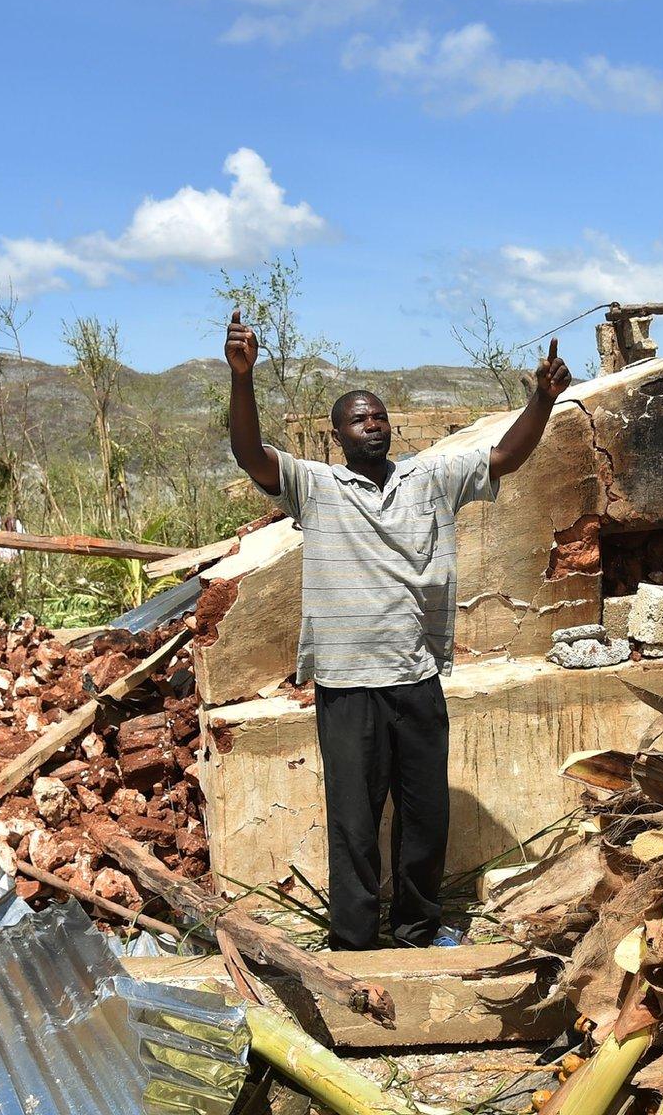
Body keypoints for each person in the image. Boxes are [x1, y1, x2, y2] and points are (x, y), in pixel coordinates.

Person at [225, 309, 572, 949]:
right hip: (347, 683)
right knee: (354, 823)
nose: (373, 427)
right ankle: (354, 944)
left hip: (416, 676)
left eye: (379, 417)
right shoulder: (317, 485)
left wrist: (541, 402)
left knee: (424, 818)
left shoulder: (429, 478)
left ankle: (417, 927)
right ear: (337, 435)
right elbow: (251, 454)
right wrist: (241, 379)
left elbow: (505, 456)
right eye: (359, 420)